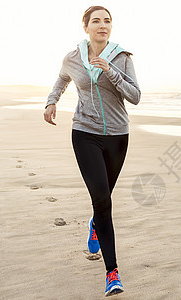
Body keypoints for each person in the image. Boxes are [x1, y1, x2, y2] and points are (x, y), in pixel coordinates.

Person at [43, 5, 141, 297]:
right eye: (96, 21)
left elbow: (135, 96)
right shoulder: (73, 57)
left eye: (107, 21)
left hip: (117, 136)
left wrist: (110, 71)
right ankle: (112, 273)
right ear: (85, 26)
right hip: (84, 133)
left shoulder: (122, 57)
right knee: (103, 201)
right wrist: (52, 101)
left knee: (104, 198)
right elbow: (62, 78)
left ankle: (95, 223)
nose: (102, 25)